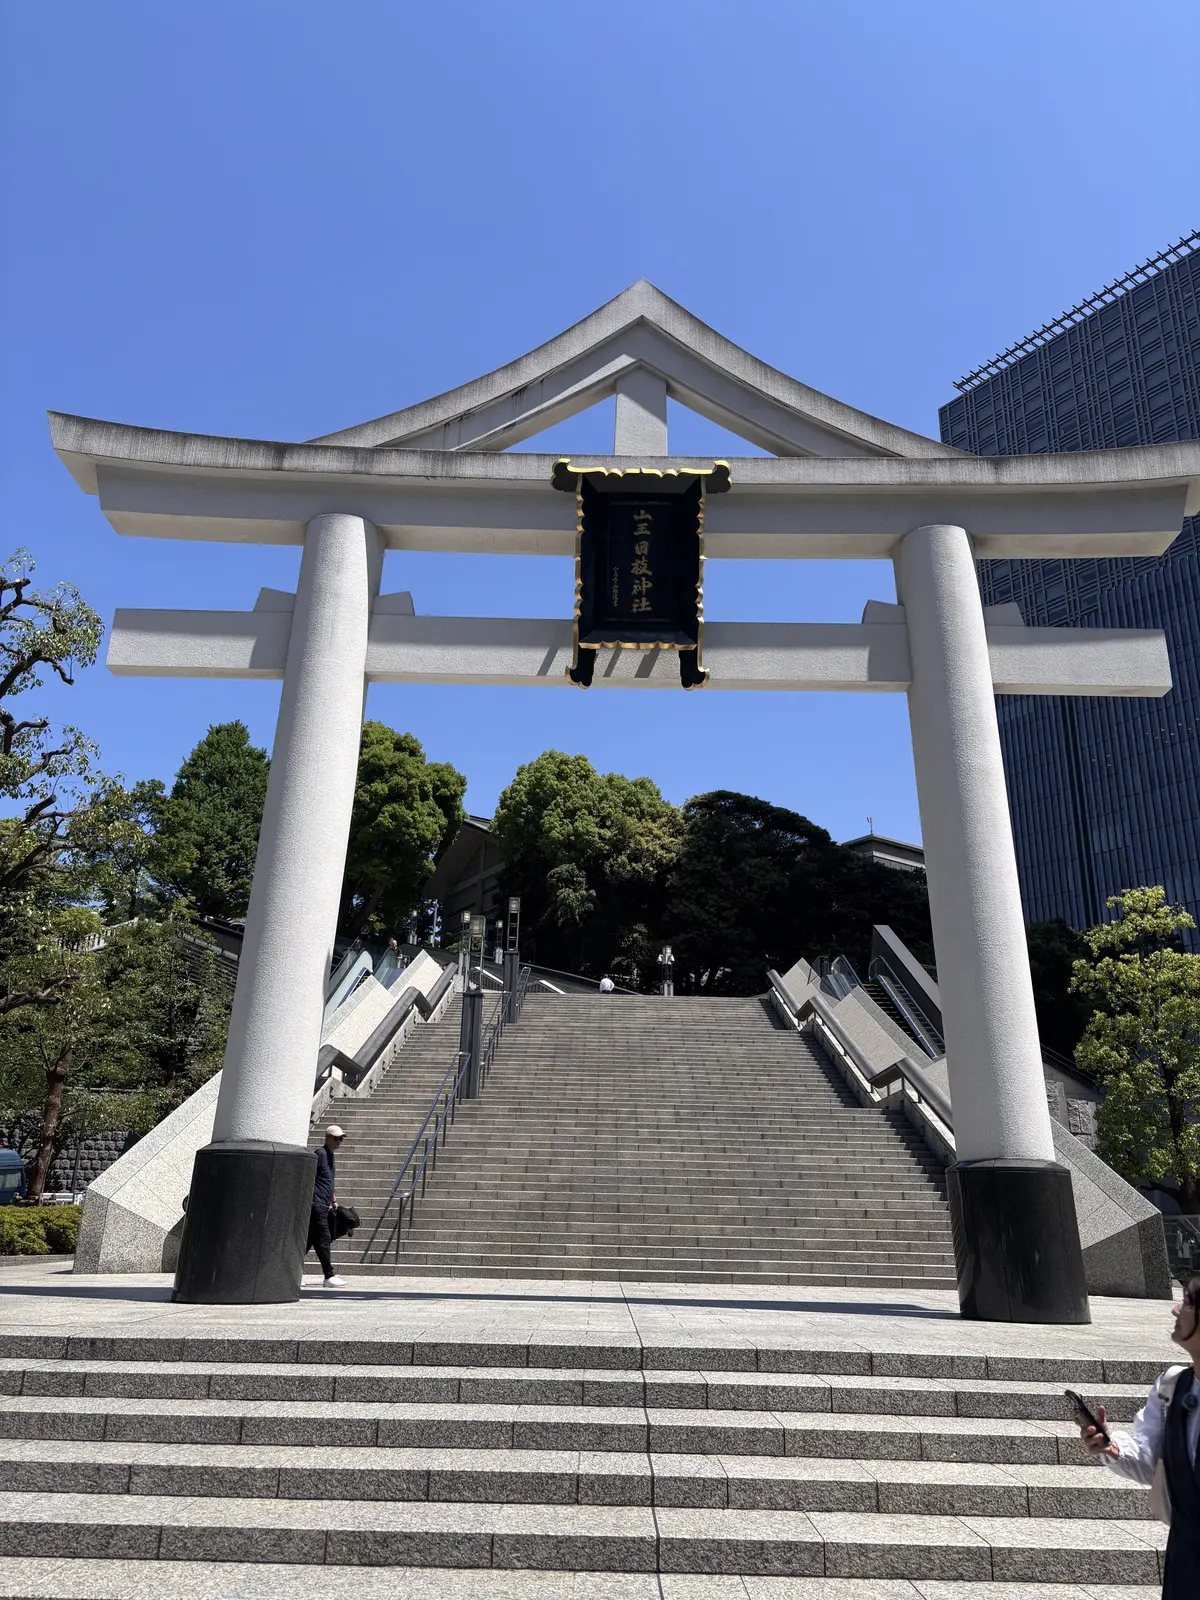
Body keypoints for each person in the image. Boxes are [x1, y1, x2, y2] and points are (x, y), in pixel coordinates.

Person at [1080, 1276, 1200, 1597]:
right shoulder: (1172, 1386)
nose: (1175, 1310)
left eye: (1187, 1304)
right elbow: (1152, 1462)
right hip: (1186, 1568)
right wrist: (1112, 1447)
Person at [307, 1125, 345, 1288]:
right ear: (328, 1138)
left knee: (309, 1240)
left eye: (341, 1138)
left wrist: (333, 1199)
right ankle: (329, 1276)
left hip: (324, 1203)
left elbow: (328, 1180)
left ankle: (289, 1271)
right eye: (336, 1138)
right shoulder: (320, 1154)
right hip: (317, 1203)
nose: (339, 1141)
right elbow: (312, 1177)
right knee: (324, 1237)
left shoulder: (330, 1156)